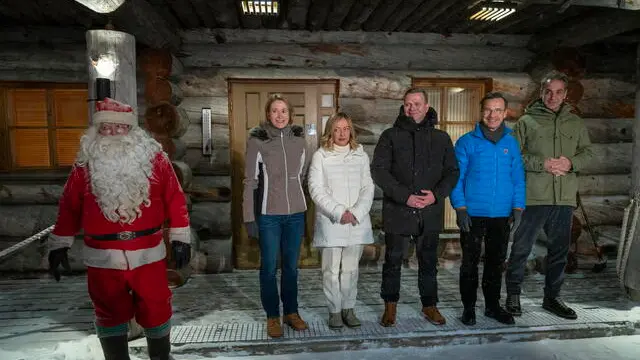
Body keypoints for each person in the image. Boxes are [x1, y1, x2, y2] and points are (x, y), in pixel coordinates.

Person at [47, 98, 191, 360]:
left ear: (132, 131)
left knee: (156, 304)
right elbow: (69, 205)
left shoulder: (155, 159)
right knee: (108, 309)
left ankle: (160, 357)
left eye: (119, 127)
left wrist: (181, 237)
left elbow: (175, 197)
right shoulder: (85, 164)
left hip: (148, 251)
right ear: (97, 131)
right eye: (105, 128)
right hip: (103, 255)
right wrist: (60, 243)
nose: (112, 133)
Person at [505, 71, 594, 319]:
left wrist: (570, 163)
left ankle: (552, 298)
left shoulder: (575, 123)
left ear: (565, 95)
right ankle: (513, 295)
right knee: (521, 248)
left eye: (558, 92)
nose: (552, 96)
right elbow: (512, 155)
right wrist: (541, 164)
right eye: (548, 91)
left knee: (559, 251)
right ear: (541, 92)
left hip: (563, 199)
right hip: (533, 197)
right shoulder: (526, 122)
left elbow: (587, 153)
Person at [371, 88, 459, 327]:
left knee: (429, 261)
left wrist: (436, 195)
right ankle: (390, 307)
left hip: (429, 211)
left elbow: (452, 172)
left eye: (417, 104)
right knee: (392, 260)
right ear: (403, 105)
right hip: (398, 209)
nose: (412, 108)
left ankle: (430, 305)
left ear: (427, 106)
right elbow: (379, 171)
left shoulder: (441, 138)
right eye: (408, 104)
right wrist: (404, 196)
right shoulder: (390, 136)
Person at [450, 92, 525, 326]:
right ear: (481, 112)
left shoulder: (511, 143)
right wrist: (460, 208)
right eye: (488, 110)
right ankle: (469, 308)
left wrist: (518, 207)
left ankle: (492, 307)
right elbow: (456, 178)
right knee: (470, 263)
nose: (492, 115)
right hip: (473, 213)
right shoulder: (466, 141)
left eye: (497, 110)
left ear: (505, 113)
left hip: (502, 214)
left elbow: (518, 178)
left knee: (495, 263)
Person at [242, 94, 310, 338]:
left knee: (291, 267)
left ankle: (291, 312)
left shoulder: (300, 141)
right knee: (269, 267)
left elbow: (302, 176)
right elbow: (250, 181)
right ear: (268, 115)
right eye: (274, 111)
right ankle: (272, 316)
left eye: (284, 111)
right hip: (269, 215)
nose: (280, 115)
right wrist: (249, 217)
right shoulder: (258, 141)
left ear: (290, 114)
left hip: (295, 215)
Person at [308, 112, 375, 329]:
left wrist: (356, 212)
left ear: (351, 131)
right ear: (330, 131)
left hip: (356, 221)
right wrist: (339, 212)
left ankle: (348, 308)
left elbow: (368, 187)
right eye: (337, 129)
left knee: (350, 270)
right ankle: (334, 310)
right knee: (330, 270)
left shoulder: (360, 155)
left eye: (346, 128)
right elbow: (316, 189)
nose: (342, 133)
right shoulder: (321, 156)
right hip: (332, 222)